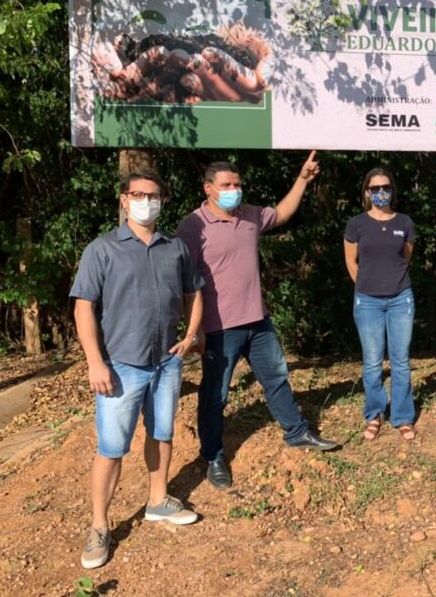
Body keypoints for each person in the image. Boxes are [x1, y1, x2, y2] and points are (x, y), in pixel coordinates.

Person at [176, 154, 339, 491]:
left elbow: (283, 213)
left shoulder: (249, 215)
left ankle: (297, 433)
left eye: (237, 184)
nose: (234, 190)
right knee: (214, 396)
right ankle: (213, 456)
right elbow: (184, 283)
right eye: (226, 185)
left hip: (258, 321)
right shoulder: (192, 226)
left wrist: (303, 179)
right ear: (208, 189)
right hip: (218, 329)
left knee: (277, 378)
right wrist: (195, 330)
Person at [70, 170, 204, 569]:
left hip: (166, 362)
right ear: (124, 200)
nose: (148, 201)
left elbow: (194, 293)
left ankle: (158, 500)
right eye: (139, 194)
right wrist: (95, 362)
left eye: (154, 195)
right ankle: (99, 526)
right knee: (112, 449)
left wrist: (192, 334)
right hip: (120, 366)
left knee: (162, 433)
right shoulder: (103, 249)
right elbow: (83, 308)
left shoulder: (174, 248)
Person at [343, 167, 418, 441]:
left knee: (401, 361)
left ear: (392, 189)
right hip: (368, 301)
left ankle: (402, 416)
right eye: (375, 188)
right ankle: (374, 414)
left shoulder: (405, 223)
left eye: (385, 187)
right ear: (367, 192)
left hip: (401, 298)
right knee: (373, 362)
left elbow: (405, 257)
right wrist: (365, 285)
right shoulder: (357, 224)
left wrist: (389, 282)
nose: (380, 192)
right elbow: (351, 262)